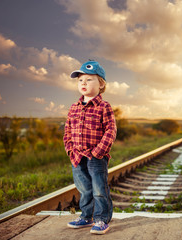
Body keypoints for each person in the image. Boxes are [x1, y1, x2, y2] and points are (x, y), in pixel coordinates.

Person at [63, 60, 117, 234]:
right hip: (77, 156)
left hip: (96, 156)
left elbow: (111, 130)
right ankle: (86, 216)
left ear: (101, 84)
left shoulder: (104, 107)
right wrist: (70, 150)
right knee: (84, 189)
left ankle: (102, 219)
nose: (83, 83)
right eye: (80, 80)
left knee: (99, 189)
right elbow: (68, 130)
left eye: (89, 79)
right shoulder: (74, 107)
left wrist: (98, 152)